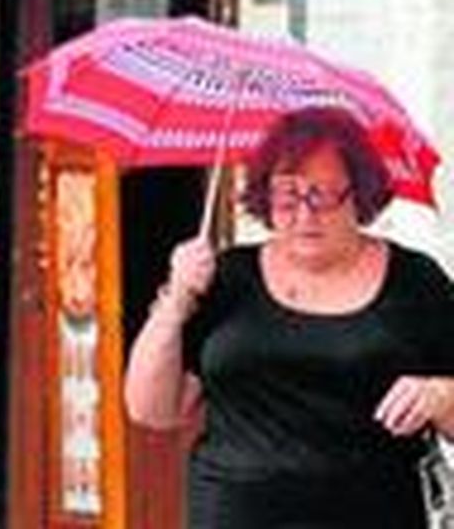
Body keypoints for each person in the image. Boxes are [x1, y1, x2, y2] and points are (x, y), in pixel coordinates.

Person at [124, 106, 454, 528]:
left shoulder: (414, 282)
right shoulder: (227, 277)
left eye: (323, 195)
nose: (304, 215)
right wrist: (176, 298)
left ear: (360, 193)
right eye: (287, 196)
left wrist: (441, 396)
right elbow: (152, 409)